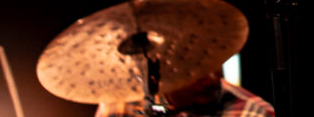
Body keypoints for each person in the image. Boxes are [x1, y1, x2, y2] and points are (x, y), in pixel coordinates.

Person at [94, 71, 275, 116]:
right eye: (198, 70)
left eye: (215, 62)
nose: (211, 79)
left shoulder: (253, 112)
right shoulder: (121, 103)